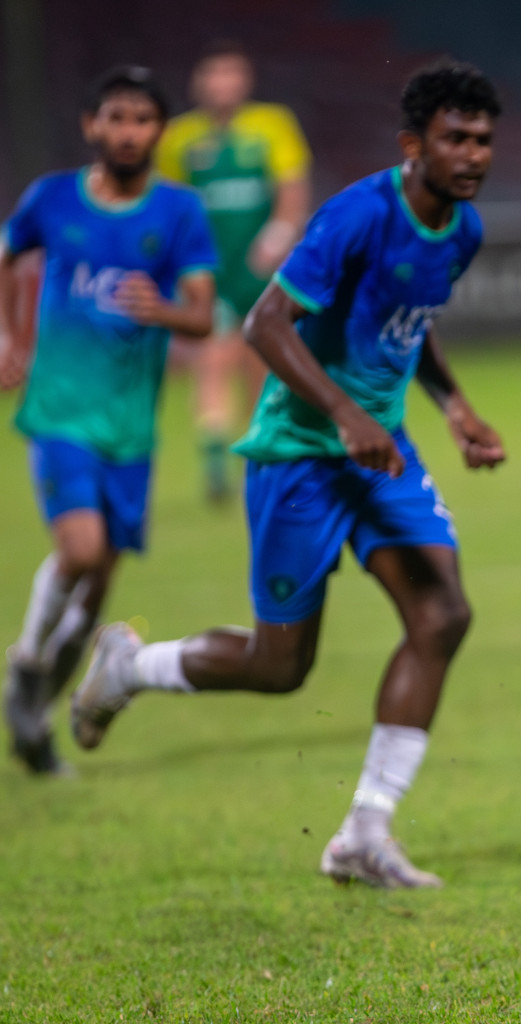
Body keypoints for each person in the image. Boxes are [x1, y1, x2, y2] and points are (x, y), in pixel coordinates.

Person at [70, 61, 505, 889]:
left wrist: (453, 407)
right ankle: (129, 668)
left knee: (443, 614)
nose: (474, 154)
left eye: (484, 140)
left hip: (380, 453)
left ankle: (363, 834)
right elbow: (268, 324)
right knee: (280, 667)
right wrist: (345, 416)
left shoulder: (464, 230)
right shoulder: (358, 216)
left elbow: (410, 324)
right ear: (414, 145)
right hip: (302, 454)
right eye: (456, 138)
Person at [0, 66, 217, 775]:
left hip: (131, 427)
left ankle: (35, 720)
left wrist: (164, 311)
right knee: (82, 551)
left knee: (96, 593)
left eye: (143, 119)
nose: (128, 132)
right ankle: (27, 664)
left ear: (161, 130)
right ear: (93, 125)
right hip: (61, 411)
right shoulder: (53, 198)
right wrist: (10, 338)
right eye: (116, 118)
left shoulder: (178, 212)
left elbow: (202, 311)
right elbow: (8, 256)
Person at [158, 40, 312, 504]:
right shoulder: (178, 138)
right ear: (198, 83)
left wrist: (278, 237)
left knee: (261, 368)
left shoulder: (272, 124)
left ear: (245, 81)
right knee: (212, 360)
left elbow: (292, 189)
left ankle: (259, 454)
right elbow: (171, 204)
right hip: (211, 273)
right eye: (214, 75)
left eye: (232, 74)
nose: (223, 84)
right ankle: (214, 465)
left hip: (262, 270)